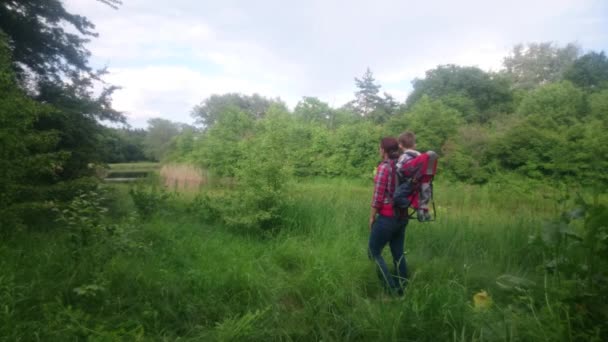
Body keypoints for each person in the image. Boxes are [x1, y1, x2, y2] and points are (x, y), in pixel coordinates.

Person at [368, 137, 409, 296]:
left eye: (380, 148)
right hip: (402, 217)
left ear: (384, 150)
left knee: (374, 252)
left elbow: (377, 197)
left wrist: (372, 217)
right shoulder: (402, 166)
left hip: (387, 217)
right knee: (398, 252)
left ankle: (392, 291)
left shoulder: (384, 168)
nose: (379, 150)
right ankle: (403, 287)